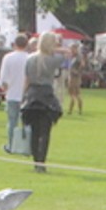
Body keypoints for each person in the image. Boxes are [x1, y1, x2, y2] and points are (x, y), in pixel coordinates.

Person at [19, 32, 64, 173]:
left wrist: (23, 96)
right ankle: (41, 161)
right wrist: (56, 48)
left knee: (34, 131)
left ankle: (36, 161)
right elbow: (67, 53)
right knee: (45, 131)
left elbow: (26, 80)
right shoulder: (53, 59)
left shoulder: (30, 59)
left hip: (32, 94)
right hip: (46, 94)